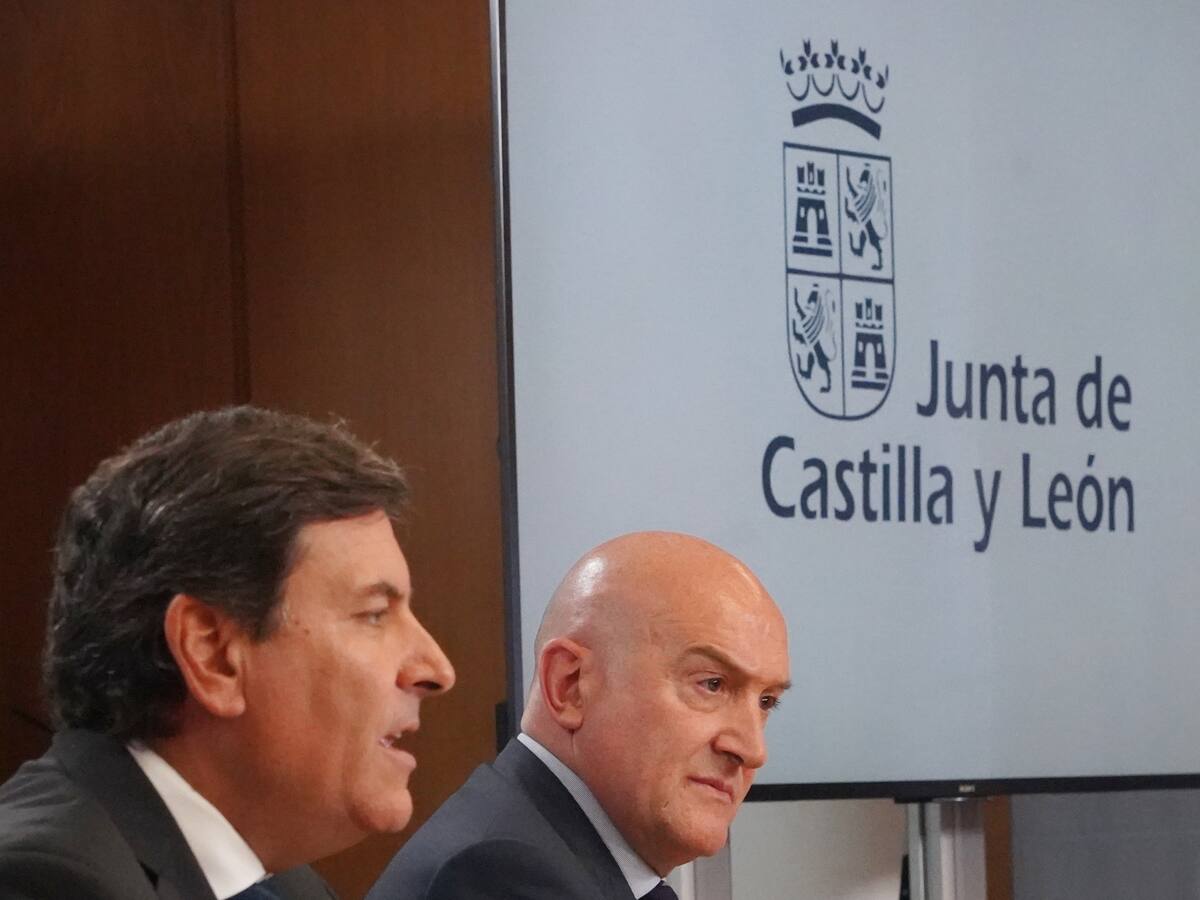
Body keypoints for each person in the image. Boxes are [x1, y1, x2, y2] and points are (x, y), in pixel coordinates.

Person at [0, 406, 455, 900]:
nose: (437, 669)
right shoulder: (44, 883)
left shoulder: (288, 887)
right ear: (212, 654)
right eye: (374, 615)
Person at [369, 531, 790, 900]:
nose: (753, 750)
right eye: (712, 684)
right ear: (569, 685)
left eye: (766, 702)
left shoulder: (547, 846)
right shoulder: (502, 875)